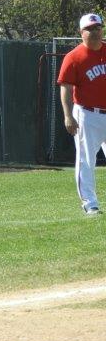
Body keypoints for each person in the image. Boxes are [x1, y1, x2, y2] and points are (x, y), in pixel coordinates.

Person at [58, 12, 106, 215]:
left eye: (97, 28)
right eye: (89, 29)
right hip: (87, 114)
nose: (95, 32)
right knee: (86, 159)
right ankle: (90, 203)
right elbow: (66, 89)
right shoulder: (74, 57)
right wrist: (68, 116)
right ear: (81, 32)